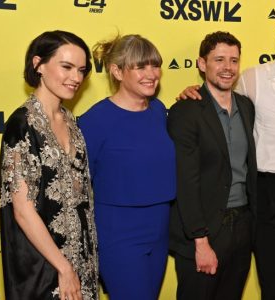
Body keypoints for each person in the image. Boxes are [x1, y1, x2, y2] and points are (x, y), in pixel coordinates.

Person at [178, 8, 275, 299]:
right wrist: (191, 92)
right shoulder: (253, 79)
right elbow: (216, 98)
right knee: (272, 284)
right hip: (266, 192)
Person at [0, 30, 98, 300]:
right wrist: (63, 268)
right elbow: (22, 209)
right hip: (41, 267)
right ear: (38, 65)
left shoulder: (71, 123)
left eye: (81, 70)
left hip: (81, 263)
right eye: (66, 67)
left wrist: (77, 266)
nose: (76, 78)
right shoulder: (22, 124)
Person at [78, 35, 176, 300]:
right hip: (118, 232)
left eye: (155, 66)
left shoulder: (158, 111)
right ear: (117, 71)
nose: (151, 74)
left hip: (159, 228)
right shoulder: (94, 121)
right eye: (140, 67)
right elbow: (77, 186)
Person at [168, 31, 257, 300]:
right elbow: (186, 180)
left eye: (233, 60)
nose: (227, 68)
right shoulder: (186, 111)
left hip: (242, 226)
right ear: (202, 64)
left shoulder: (246, 106)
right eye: (219, 59)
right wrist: (200, 240)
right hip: (204, 231)